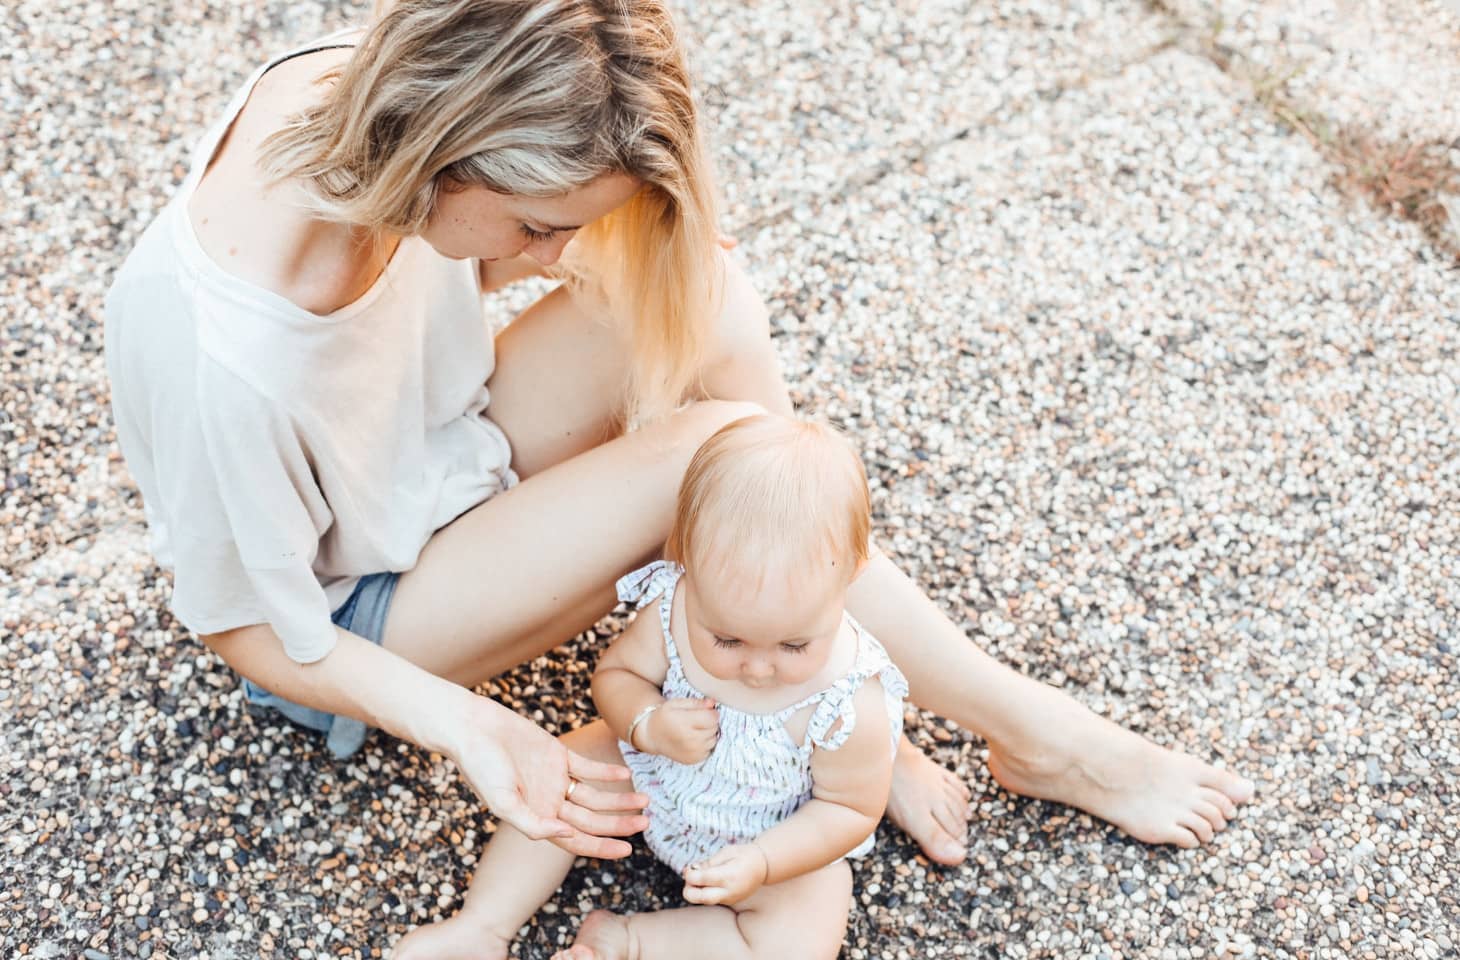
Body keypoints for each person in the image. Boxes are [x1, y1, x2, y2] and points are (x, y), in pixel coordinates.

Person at [104, 0, 1252, 905]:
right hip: (357, 615)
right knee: (715, 453)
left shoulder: (368, 88)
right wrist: (476, 727)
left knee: (696, 283)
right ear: (441, 162)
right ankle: (1023, 731)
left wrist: (608, 238)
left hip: (435, 455)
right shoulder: (225, 354)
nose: (553, 254)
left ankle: (828, 676)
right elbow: (244, 628)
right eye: (538, 225)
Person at [396, 415, 906, 959]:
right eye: (728, 640)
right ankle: (482, 925)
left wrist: (764, 861)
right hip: (650, 780)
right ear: (685, 564)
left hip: (770, 838)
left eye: (794, 646)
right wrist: (644, 722)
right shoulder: (675, 607)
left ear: (851, 573)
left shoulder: (849, 703)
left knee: (806, 928)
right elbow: (617, 676)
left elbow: (847, 811)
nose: (758, 670)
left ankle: (630, 942)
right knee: (564, 766)